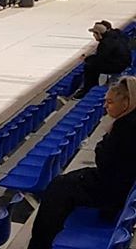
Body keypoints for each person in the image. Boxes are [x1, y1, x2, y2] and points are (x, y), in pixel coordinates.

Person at [28, 77, 136, 249]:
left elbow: (105, 161)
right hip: (116, 182)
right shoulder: (127, 123)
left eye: (110, 102)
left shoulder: (126, 128)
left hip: (112, 188)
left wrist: (102, 145)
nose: (105, 106)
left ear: (126, 103)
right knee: (62, 184)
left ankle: (41, 243)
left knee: (58, 188)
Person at [73, 22, 131, 99]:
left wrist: (87, 59)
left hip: (118, 65)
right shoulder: (116, 35)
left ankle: (87, 89)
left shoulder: (106, 43)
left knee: (90, 66)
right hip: (124, 61)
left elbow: (100, 59)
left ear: (99, 34)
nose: (93, 36)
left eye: (94, 33)